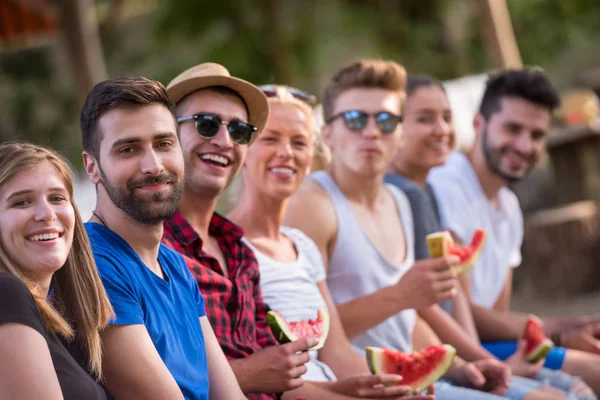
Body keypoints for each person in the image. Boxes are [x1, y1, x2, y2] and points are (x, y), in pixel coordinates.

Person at [283, 59, 574, 400]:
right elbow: (314, 333)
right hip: (360, 384)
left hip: (417, 376)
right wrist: (401, 297)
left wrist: (465, 365)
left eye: (387, 120)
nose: (372, 131)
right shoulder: (312, 205)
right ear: (327, 134)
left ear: (400, 132)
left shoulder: (400, 199)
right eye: (355, 119)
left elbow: (412, 320)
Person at [162, 62, 429, 400]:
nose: (223, 140)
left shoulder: (239, 252)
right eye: (206, 124)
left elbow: (280, 373)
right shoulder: (153, 247)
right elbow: (165, 379)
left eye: (240, 131)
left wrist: (355, 390)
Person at [385, 75, 596, 399]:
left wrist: (563, 329)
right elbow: (457, 309)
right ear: (479, 123)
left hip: (471, 348)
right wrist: (560, 332)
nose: (525, 145)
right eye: (513, 129)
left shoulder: (508, 205)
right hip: (456, 350)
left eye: (537, 135)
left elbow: (496, 310)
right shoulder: (442, 186)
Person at [228, 84, 435, 399]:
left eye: (299, 143)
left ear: (310, 160)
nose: (286, 153)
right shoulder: (223, 247)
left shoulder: (302, 246)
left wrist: (393, 390)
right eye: (270, 139)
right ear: (242, 152)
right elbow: (265, 381)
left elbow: (337, 352)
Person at [80, 76, 244, 400]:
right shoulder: (92, 264)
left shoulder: (177, 267)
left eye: (164, 144)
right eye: (128, 149)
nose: (153, 166)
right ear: (93, 167)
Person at [0, 142, 113, 399]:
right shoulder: (5, 292)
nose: (47, 214)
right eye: (22, 202)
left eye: (57, 198)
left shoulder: (67, 322)